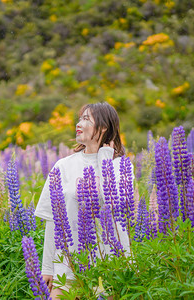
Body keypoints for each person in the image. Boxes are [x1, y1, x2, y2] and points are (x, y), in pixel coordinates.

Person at [34, 102, 132, 299]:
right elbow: (53, 221)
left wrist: (105, 159)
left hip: (110, 266)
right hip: (68, 265)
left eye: (86, 119)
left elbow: (114, 205)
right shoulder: (63, 165)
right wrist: (47, 268)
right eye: (80, 118)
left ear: (103, 127)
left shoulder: (121, 165)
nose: (79, 123)